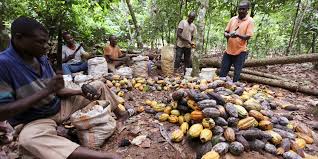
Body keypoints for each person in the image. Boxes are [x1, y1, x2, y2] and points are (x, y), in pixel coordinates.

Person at [0, 16, 123, 159]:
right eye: (41, 42)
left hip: (60, 106)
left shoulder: (40, 57)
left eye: (46, 42)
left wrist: (80, 91)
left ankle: (122, 115)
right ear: (18, 38)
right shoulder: (3, 65)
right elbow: (2, 113)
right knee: (29, 140)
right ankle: (103, 157)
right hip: (35, 120)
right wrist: (46, 90)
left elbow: (58, 90)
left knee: (98, 85)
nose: (46, 46)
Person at [219, 1, 254, 82]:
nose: (241, 11)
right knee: (222, 72)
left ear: (247, 10)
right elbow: (226, 31)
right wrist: (227, 35)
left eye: (243, 9)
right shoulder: (233, 19)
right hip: (228, 51)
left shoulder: (250, 21)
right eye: (239, 9)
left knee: (236, 74)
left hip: (240, 52)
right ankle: (220, 90)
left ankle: (234, 87)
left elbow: (248, 37)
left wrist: (237, 35)